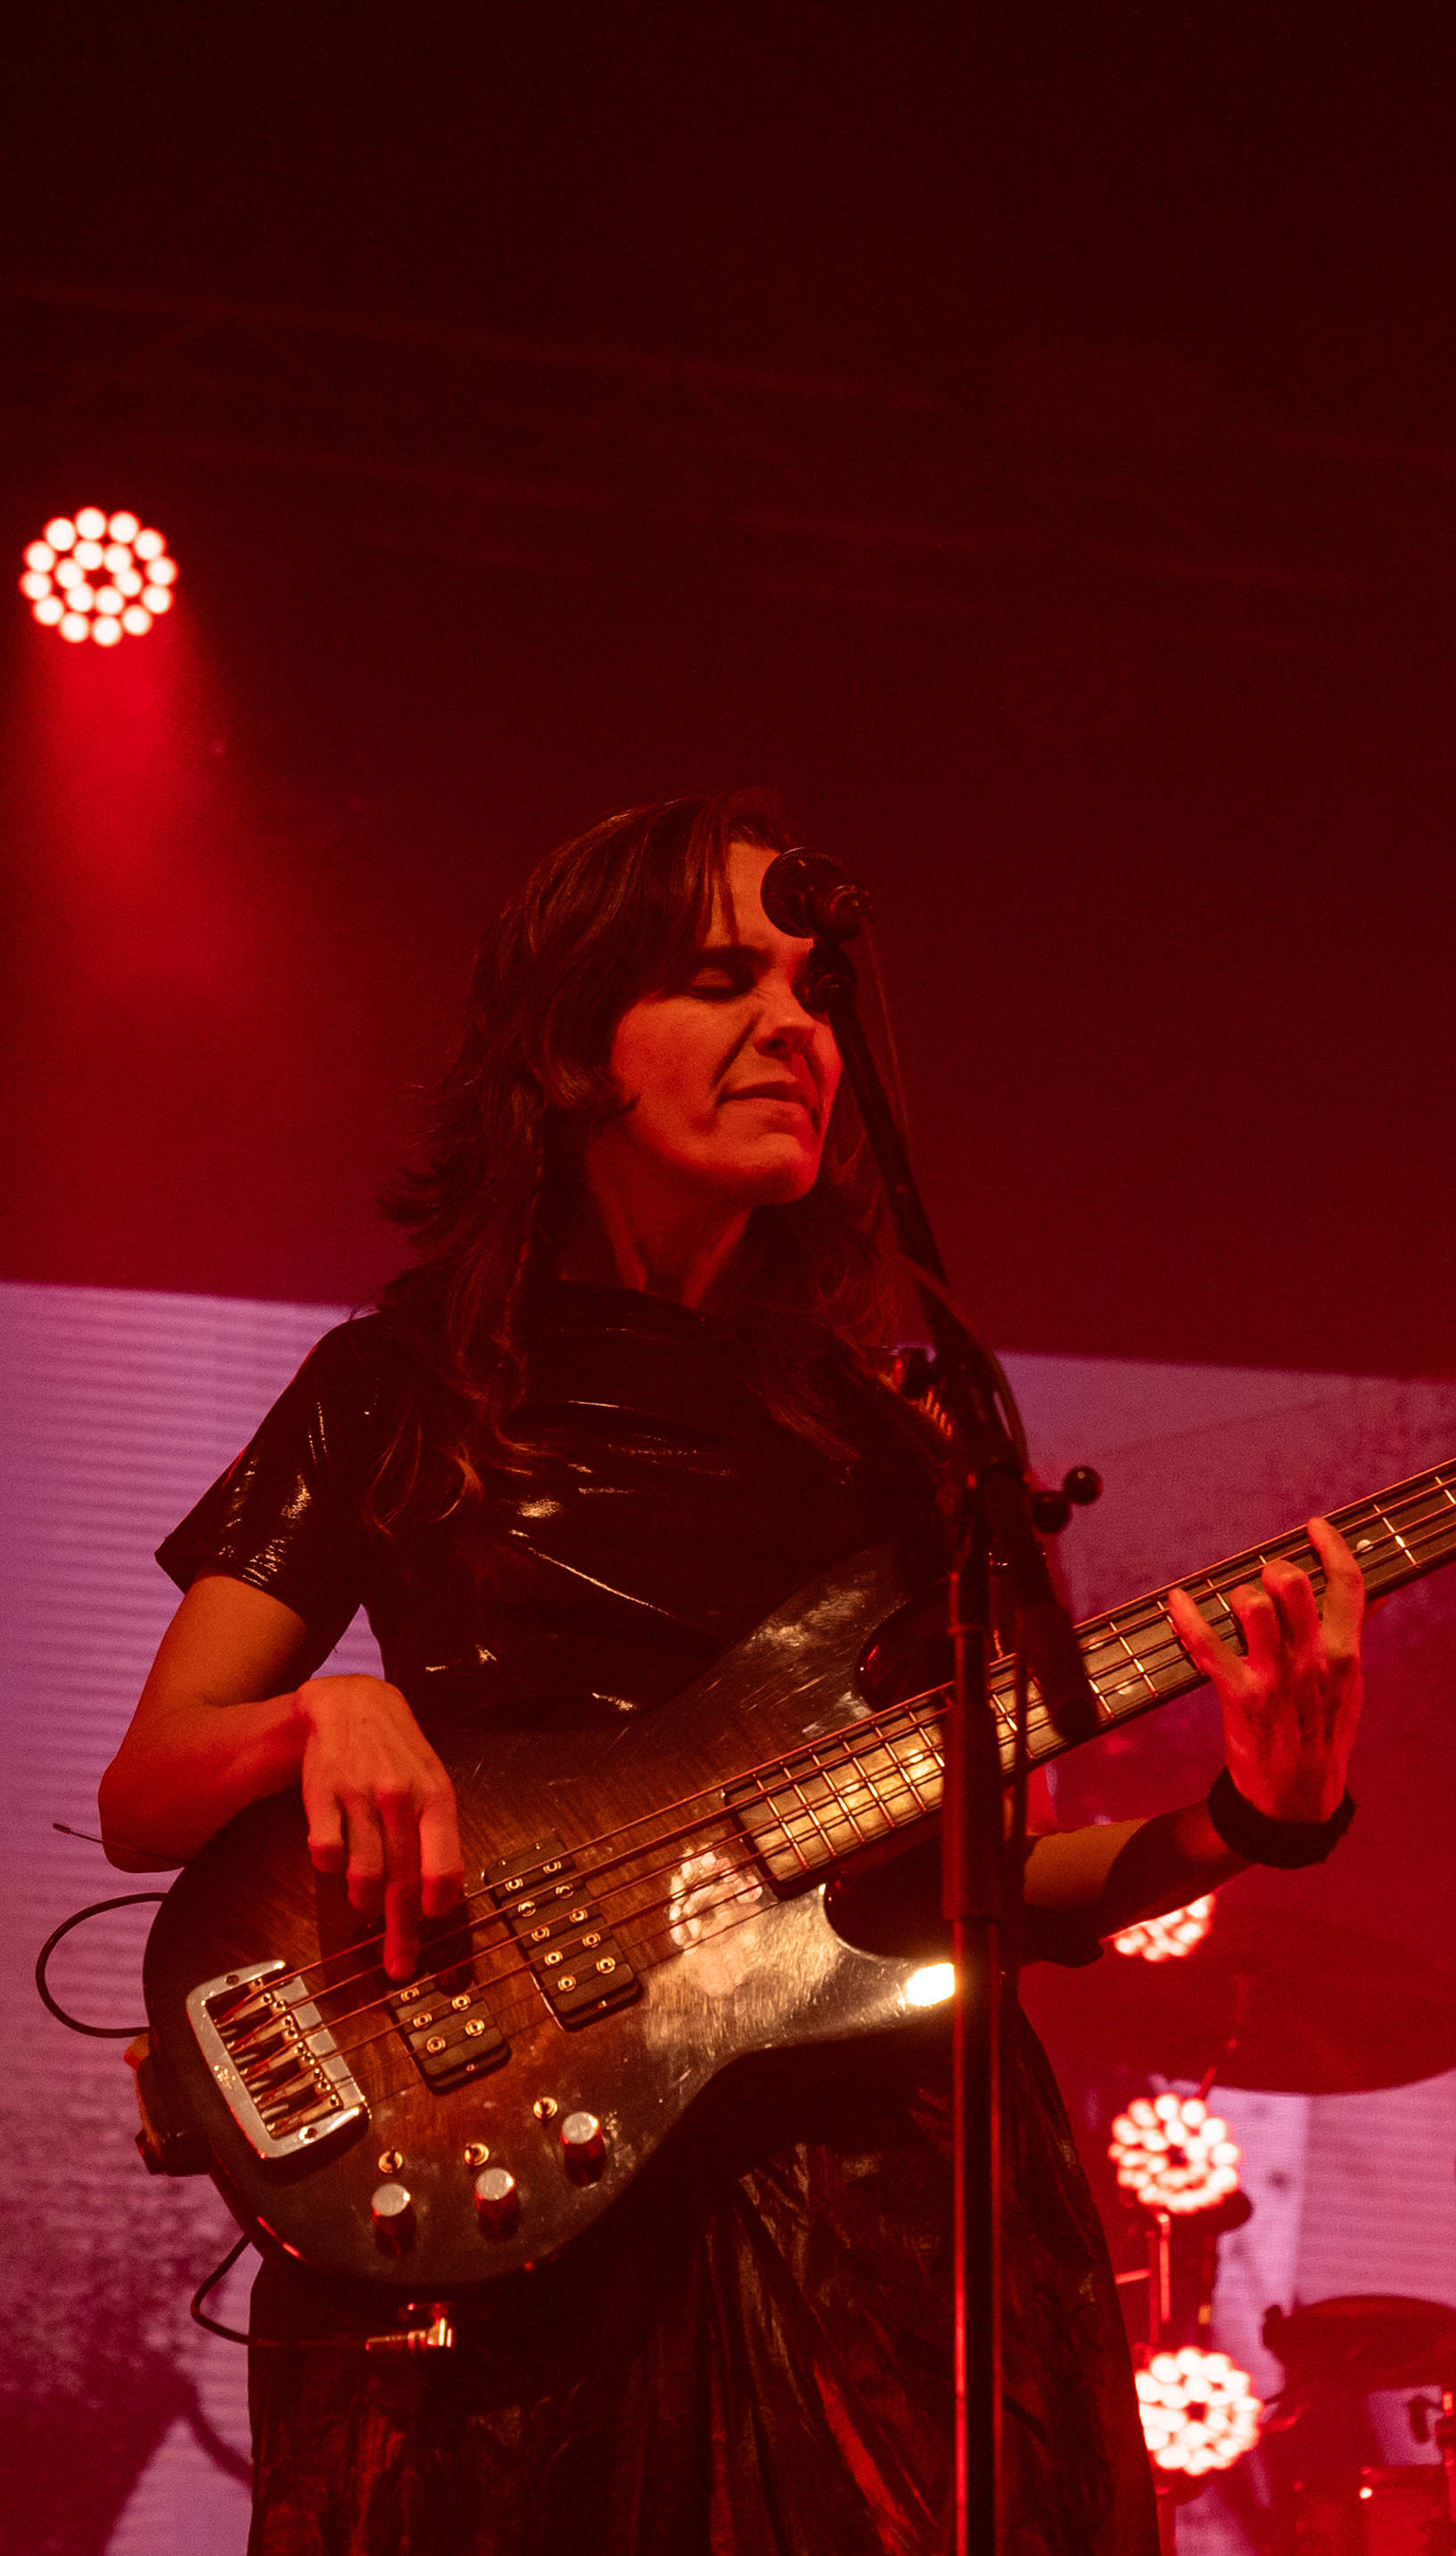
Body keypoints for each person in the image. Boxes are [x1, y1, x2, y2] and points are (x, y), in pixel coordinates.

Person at [99, 792, 1366, 2556]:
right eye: (718, 979)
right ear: (567, 1048)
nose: (795, 1029)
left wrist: (1249, 1818)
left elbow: (986, 1893)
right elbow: (147, 1790)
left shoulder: (910, 1447)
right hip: (509, 2186)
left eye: (814, 991)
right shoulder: (399, 1385)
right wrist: (327, 1712)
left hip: (879, 2229)